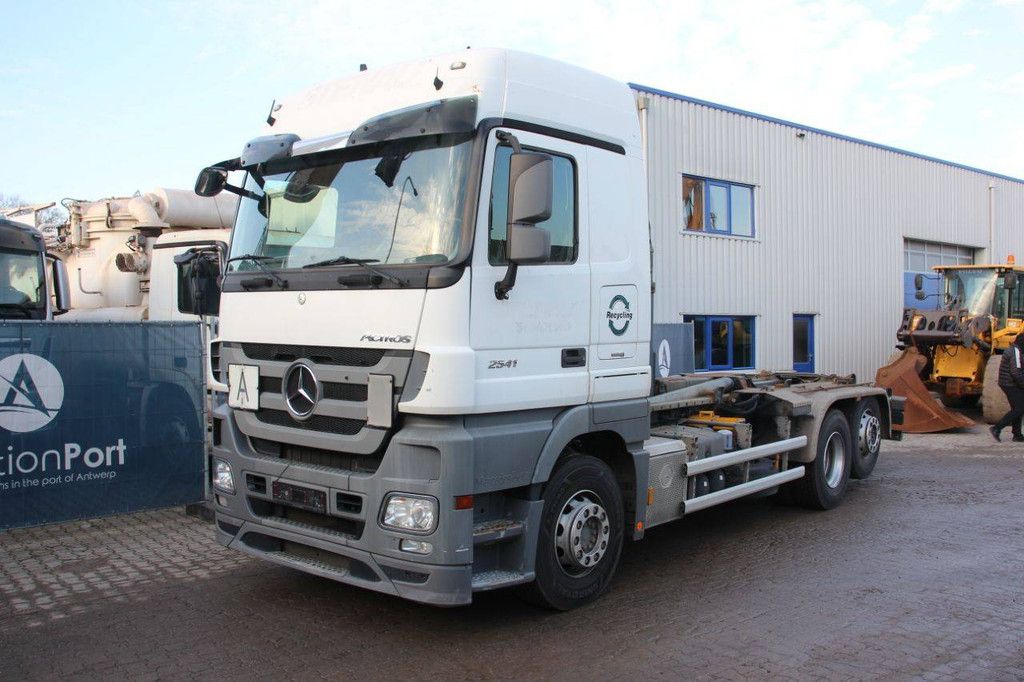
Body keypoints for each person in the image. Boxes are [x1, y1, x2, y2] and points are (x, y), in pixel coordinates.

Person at [991, 333, 1024, 442]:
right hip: (1010, 383)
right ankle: (997, 428)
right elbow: (1016, 372)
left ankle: (1017, 434)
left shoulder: (1015, 349)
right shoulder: (1016, 351)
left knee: (1017, 408)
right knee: (1019, 408)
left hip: (1009, 382)